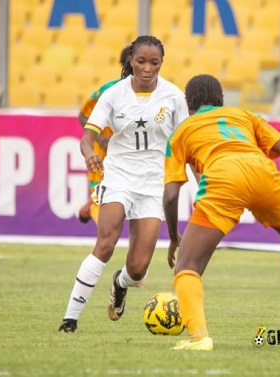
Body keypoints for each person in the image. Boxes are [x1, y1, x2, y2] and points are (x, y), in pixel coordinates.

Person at [162, 74, 280, 350]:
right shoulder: (244, 115)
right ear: (221, 101)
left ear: (188, 105)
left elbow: (170, 196)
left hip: (224, 177)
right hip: (262, 172)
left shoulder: (181, 132)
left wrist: (173, 236)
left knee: (187, 267)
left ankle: (200, 337)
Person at [58, 35, 190, 333]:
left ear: (161, 63)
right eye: (141, 61)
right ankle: (70, 319)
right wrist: (90, 153)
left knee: (138, 268)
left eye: (154, 63)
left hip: (154, 184)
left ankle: (120, 283)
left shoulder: (173, 97)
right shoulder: (114, 94)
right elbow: (87, 137)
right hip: (118, 176)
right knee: (105, 243)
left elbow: (185, 141)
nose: (147, 68)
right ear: (131, 60)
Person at [77, 45, 131, 224]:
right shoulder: (108, 90)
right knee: (100, 193)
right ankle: (97, 215)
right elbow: (83, 115)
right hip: (104, 150)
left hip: (131, 153)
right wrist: (100, 138)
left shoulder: (152, 93)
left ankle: (92, 208)